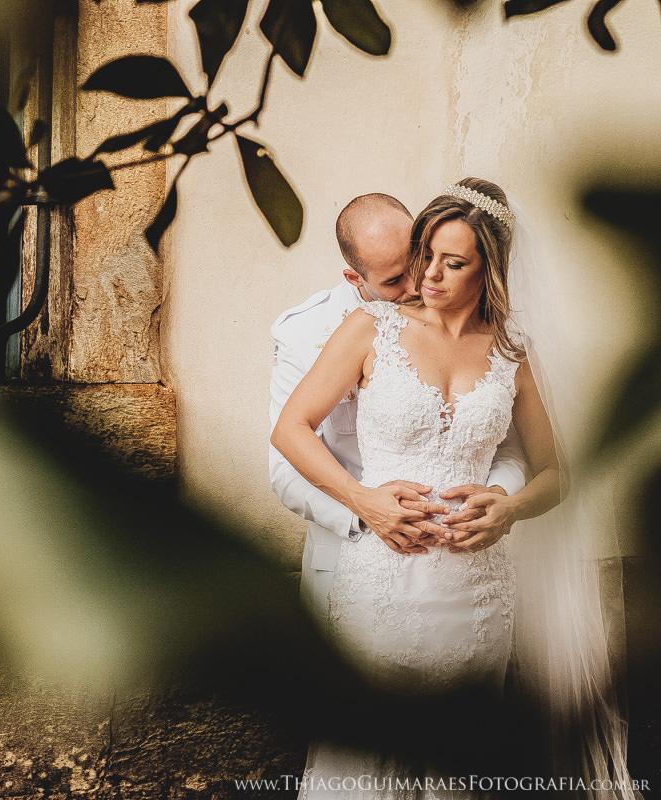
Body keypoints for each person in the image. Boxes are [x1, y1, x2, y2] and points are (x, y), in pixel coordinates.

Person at [271, 178, 636, 797]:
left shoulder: (512, 352)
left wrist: (510, 509)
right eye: (426, 256)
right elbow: (290, 430)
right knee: (369, 755)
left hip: (476, 594)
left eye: (453, 262)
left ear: (488, 269)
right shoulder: (370, 328)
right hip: (382, 580)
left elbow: (555, 475)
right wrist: (364, 501)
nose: (429, 276)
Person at [269, 193, 527, 625]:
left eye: (418, 259)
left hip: (469, 574)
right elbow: (285, 461)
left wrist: (495, 500)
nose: (419, 284)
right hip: (356, 552)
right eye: (394, 280)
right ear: (355, 277)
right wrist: (365, 508)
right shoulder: (306, 332)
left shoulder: (498, 343)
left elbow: (506, 447)